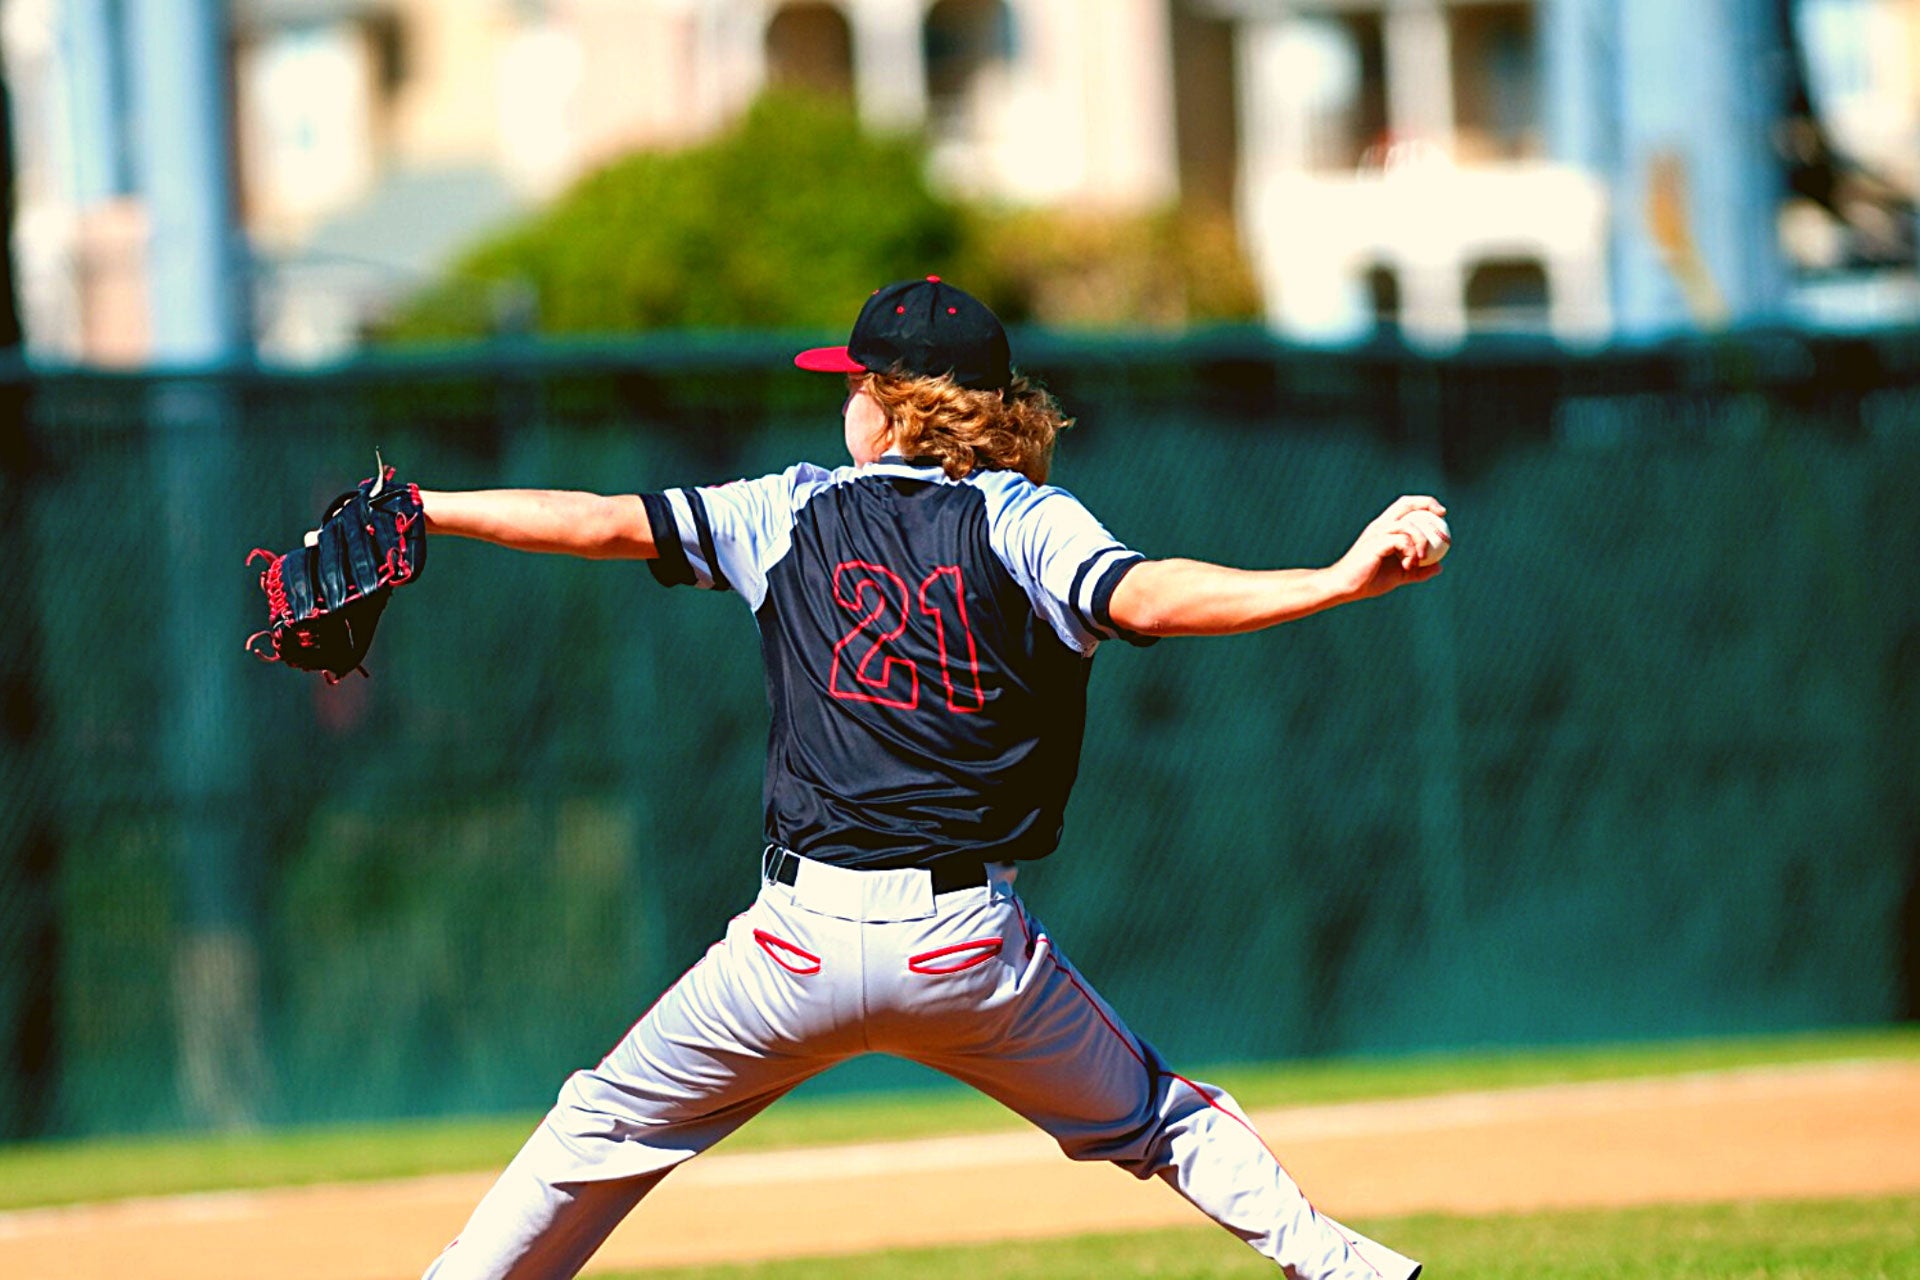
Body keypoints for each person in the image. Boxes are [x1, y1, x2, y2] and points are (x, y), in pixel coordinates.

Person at [416, 277, 1445, 1280]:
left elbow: (599, 519)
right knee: (1161, 1117)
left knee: (598, 1125)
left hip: (791, 950)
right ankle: (1348, 1269)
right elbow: (1149, 594)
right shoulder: (1025, 518)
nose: (846, 398)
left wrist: (426, 506)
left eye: (857, 381)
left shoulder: (784, 510)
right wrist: (1332, 579)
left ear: (896, 400)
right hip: (966, 953)